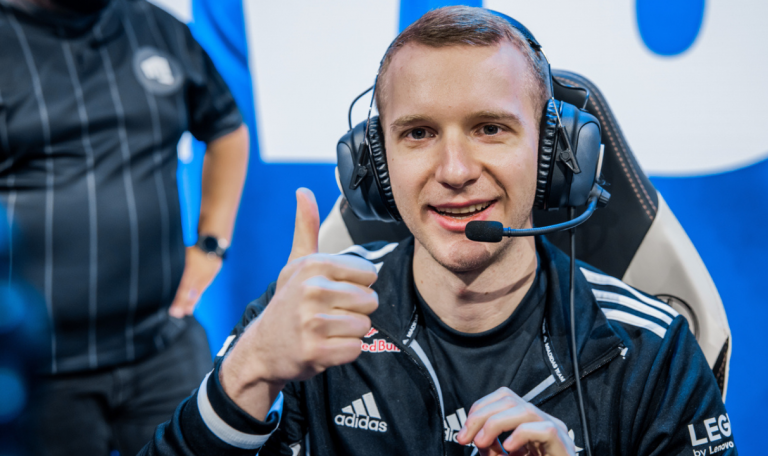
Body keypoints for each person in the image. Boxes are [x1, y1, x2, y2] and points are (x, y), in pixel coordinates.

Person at [140, 6, 736, 456]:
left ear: (554, 155)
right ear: (375, 163)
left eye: (490, 129)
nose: (454, 171)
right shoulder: (305, 314)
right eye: (418, 133)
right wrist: (249, 371)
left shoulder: (652, 350)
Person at [0, 0, 249, 454]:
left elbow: (227, 129)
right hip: (42, 372)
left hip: (163, 346)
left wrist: (211, 244)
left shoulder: (158, 29)